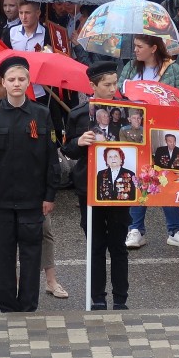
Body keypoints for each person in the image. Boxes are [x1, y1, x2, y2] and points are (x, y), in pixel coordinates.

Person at [0, 56, 60, 313]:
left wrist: (49, 194)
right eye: (11, 79)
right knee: (4, 254)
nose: (16, 84)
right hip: (0, 200)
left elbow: (51, 159)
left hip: (32, 199)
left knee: (31, 255)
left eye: (22, 79)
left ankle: (28, 305)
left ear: (29, 81)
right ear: (2, 82)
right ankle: (7, 305)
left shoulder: (42, 114)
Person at [63, 62, 131, 310]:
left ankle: (121, 298)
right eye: (107, 84)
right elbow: (67, 148)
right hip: (89, 186)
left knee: (118, 243)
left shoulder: (127, 109)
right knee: (95, 244)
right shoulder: (79, 113)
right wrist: (79, 141)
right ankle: (98, 297)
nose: (113, 88)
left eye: (115, 83)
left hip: (121, 187)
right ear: (92, 86)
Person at [118, 35, 179, 251]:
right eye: (134, 46)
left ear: (153, 48)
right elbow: (119, 96)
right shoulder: (129, 69)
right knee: (137, 179)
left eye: (139, 47)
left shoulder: (172, 70)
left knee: (166, 178)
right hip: (137, 133)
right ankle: (135, 229)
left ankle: (175, 230)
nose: (135, 50)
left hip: (165, 131)